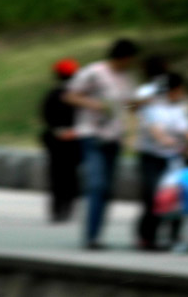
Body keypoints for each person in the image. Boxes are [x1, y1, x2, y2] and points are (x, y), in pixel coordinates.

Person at [62, 38, 139, 249]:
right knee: (97, 184)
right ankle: (90, 236)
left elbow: (128, 104)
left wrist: (138, 105)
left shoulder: (127, 77)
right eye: (130, 59)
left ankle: (98, 235)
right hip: (92, 134)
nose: (131, 63)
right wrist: (93, 104)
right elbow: (69, 95)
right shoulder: (94, 72)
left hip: (114, 137)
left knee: (107, 189)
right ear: (123, 57)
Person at [136, 71, 188, 249]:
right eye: (179, 90)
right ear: (172, 90)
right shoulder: (152, 107)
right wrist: (164, 139)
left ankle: (174, 235)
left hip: (173, 158)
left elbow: (187, 129)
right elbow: (155, 129)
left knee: (177, 195)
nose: (181, 93)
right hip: (151, 157)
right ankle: (147, 236)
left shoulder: (179, 108)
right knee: (153, 196)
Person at [40, 58, 81, 222]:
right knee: (70, 175)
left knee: (56, 175)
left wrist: (57, 131)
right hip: (73, 140)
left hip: (56, 140)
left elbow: (46, 116)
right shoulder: (78, 96)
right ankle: (67, 208)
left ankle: (57, 210)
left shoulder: (52, 95)